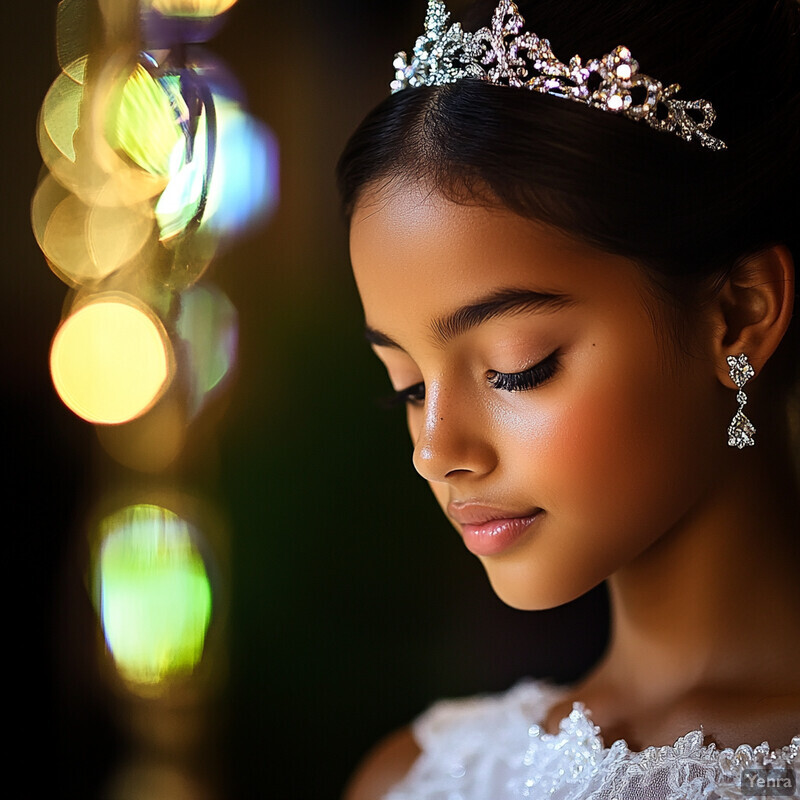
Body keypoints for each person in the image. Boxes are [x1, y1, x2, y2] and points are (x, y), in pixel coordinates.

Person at [336, 0, 800, 797]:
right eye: (407, 387)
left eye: (518, 369)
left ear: (738, 314)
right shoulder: (417, 779)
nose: (436, 450)